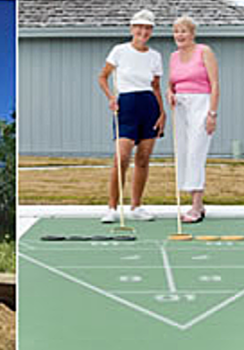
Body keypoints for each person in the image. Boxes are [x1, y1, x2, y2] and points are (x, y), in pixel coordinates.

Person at [98, 10, 166, 223]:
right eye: (139, 27)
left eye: (147, 28)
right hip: (126, 106)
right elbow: (102, 77)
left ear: (151, 31)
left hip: (149, 107)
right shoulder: (119, 51)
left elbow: (156, 87)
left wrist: (162, 113)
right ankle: (111, 208)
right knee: (122, 158)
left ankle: (136, 207)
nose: (143, 31)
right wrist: (111, 97)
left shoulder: (155, 56)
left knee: (143, 159)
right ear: (132, 28)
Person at [167, 16, 219, 223]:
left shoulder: (204, 51)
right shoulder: (173, 56)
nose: (179, 35)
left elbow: (215, 84)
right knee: (184, 153)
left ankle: (196, 207)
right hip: (180, 106)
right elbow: (172, 83)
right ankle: (198, 203)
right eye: (176, 31)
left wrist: (212, 113)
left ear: (192, 34)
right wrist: (170, 93)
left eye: (184, 31)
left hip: (201, 104)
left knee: (196, 153)